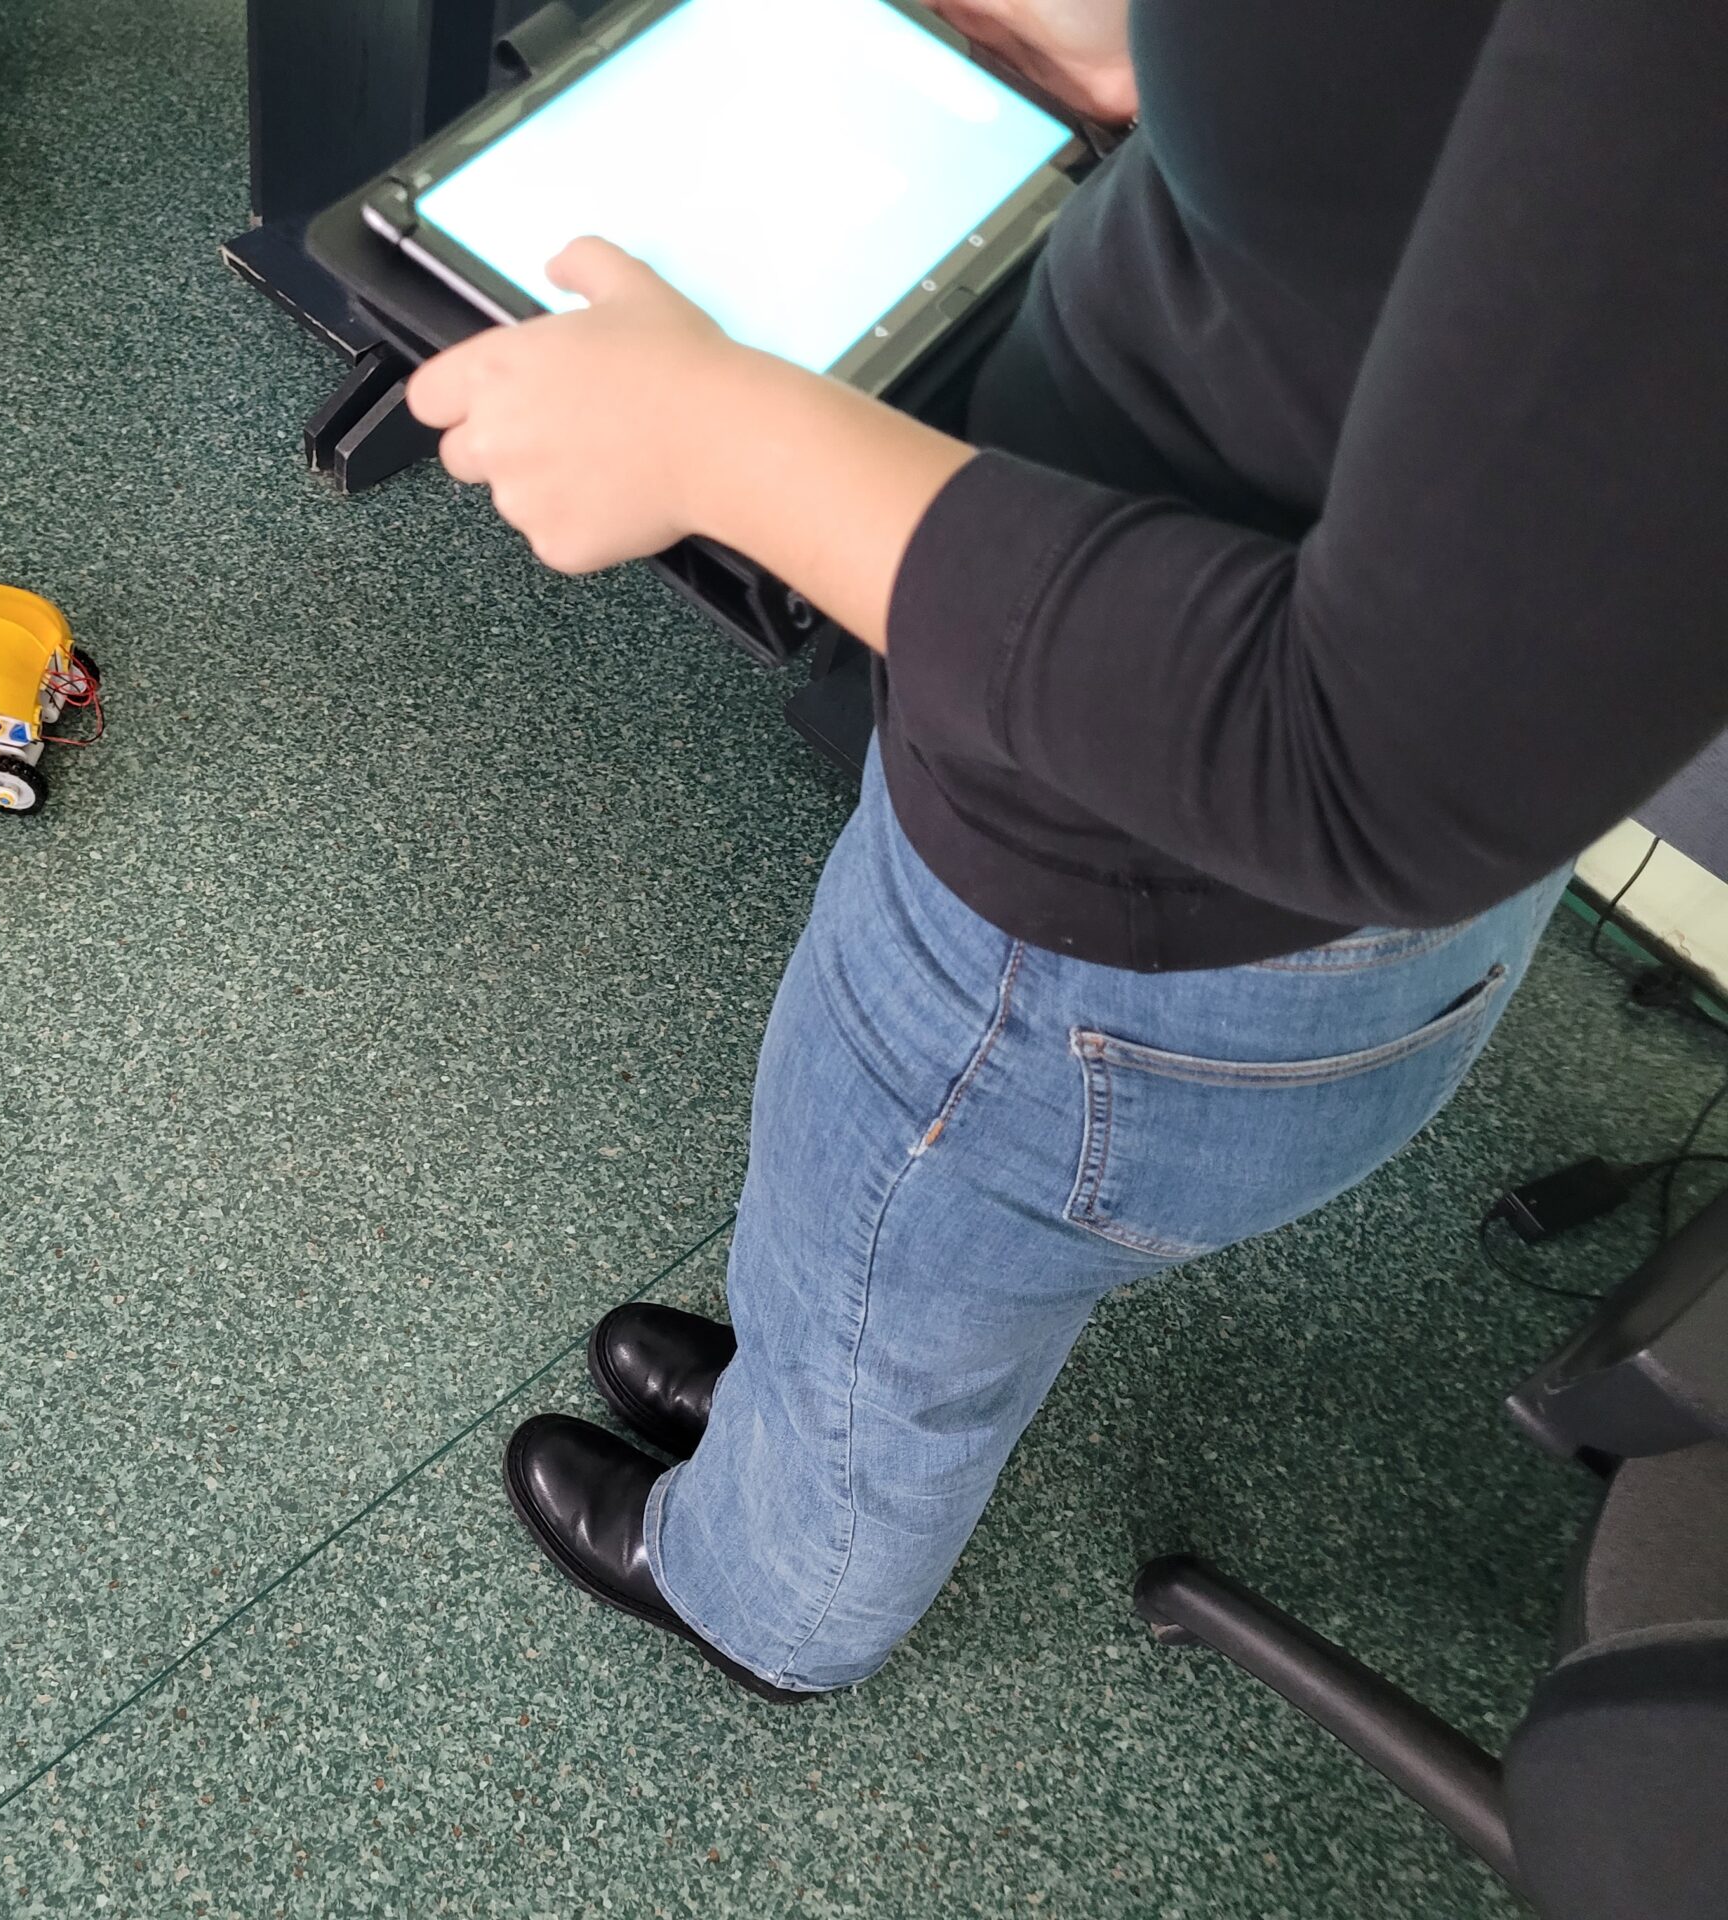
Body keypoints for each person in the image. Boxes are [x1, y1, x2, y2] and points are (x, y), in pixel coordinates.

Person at [406, 0, 1728, 1701]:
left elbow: (1371, 767)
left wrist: (718, 442)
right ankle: (806, 1393)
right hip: (1123, 786)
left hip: (1142, 908)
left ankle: (766, 1591)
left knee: (893, 1238)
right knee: (902, 1252)